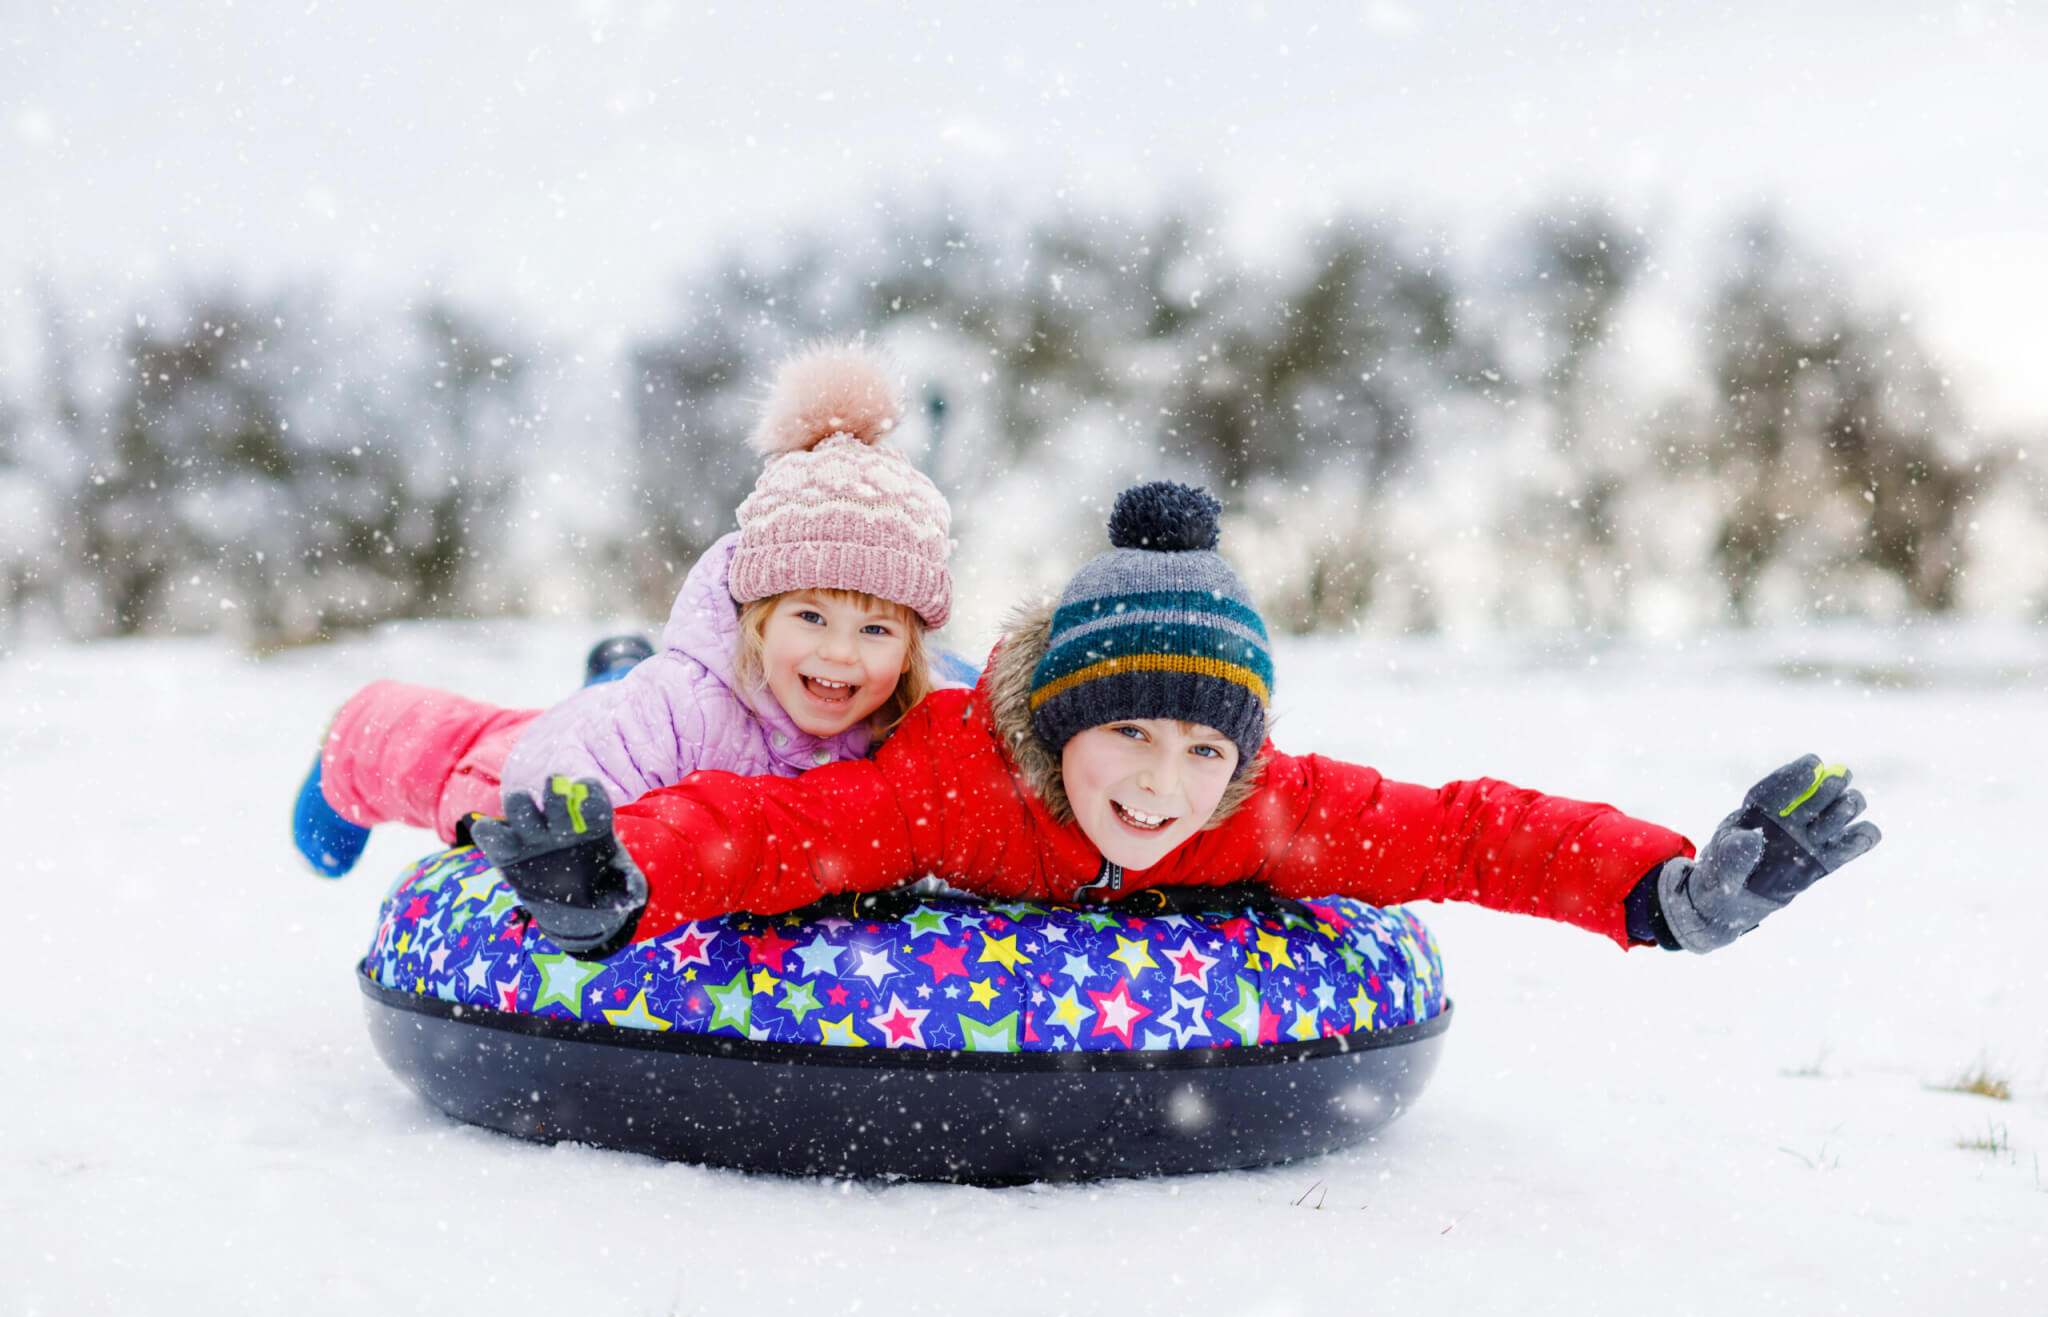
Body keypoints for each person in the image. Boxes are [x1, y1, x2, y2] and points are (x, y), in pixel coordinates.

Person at [473, 481, 1881, 960]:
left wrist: (1667, 888)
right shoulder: (952, 782)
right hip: (859, 735)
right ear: (1059, 725)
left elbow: (1461, 830)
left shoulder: (1254, 808)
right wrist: (623, 880)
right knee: (745, 738)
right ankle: (620, 660)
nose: (1162, 786)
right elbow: (767, 824)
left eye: (1206, 745)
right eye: (1128, 735)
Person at [292, 343, 955, 901]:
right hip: (574, 753)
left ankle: (617, 665)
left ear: (910, 649)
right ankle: (358, 736)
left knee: (617, 691)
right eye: (811, 616)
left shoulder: (904, 727)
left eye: (876, 630)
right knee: (475, 762)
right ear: (756, 619)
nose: (841, 653)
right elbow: (568, 788)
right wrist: (582, 857)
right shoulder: (682, 711)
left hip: (639, 719)